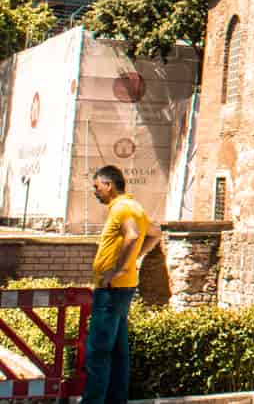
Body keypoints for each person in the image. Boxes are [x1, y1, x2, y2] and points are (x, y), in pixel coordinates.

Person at [83, 165, 161, 404]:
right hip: (123, 287)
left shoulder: (121, 208)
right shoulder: (135, 206)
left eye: (97, 187)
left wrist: (116, 269)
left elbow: (134, 235)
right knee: (117, 352)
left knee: (97, 351)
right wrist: (134, 257)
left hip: (111, 290)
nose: (95, 192)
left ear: (109, 185)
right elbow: (155, 233)